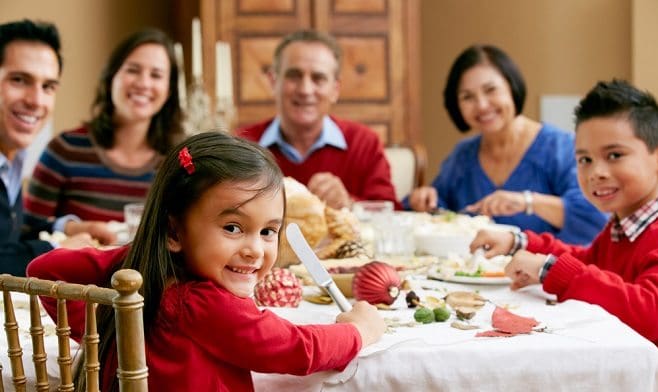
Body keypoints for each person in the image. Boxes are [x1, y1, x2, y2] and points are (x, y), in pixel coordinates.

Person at [27, 131, 386, 391]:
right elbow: (297, 349)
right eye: (233, 227)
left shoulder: (151, 283)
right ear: (174, 232)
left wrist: (115, 298)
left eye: (268, 231)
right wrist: (358, 330)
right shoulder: (203, 304)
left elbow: (44, 269)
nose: (255, 250)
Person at [471, 80, 658, 346]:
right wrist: (520, 242)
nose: (596, 173)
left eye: (615, 155)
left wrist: (549, 270)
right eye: (585, 160)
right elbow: (588, 262)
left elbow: (652, 313)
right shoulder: (621, 227)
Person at [406, 44, 607, 245]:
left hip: (545, 272)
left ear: (512, 87)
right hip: (473, 273)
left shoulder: (561, 148)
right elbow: (440, 209)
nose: (482, 105)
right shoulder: (463, 156)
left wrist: (527, 202)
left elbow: (595, 219)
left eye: (490, 90)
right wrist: (425, 200)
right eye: (468, 97)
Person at [23, 28, 185, 244]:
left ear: (169, 90)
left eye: (156, 75)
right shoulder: (65, 150)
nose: (144, 83)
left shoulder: (179, 164)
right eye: (133, 70)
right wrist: (71, 229)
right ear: (111, 77)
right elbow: (25, 232)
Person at [236, 30, 398, 210]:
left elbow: (390, 213)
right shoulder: (244, 144)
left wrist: (349, 204)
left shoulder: (364, 143)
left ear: (335, 89)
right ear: (274, 81)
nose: (305, 90)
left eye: (318, 78)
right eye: (294, 76)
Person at [0, 19, 98, 276]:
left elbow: (6, 231)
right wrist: (57, 248)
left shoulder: (11, 159)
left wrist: (64, 227)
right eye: (19, 80)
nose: (36, 100)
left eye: (48, 87)